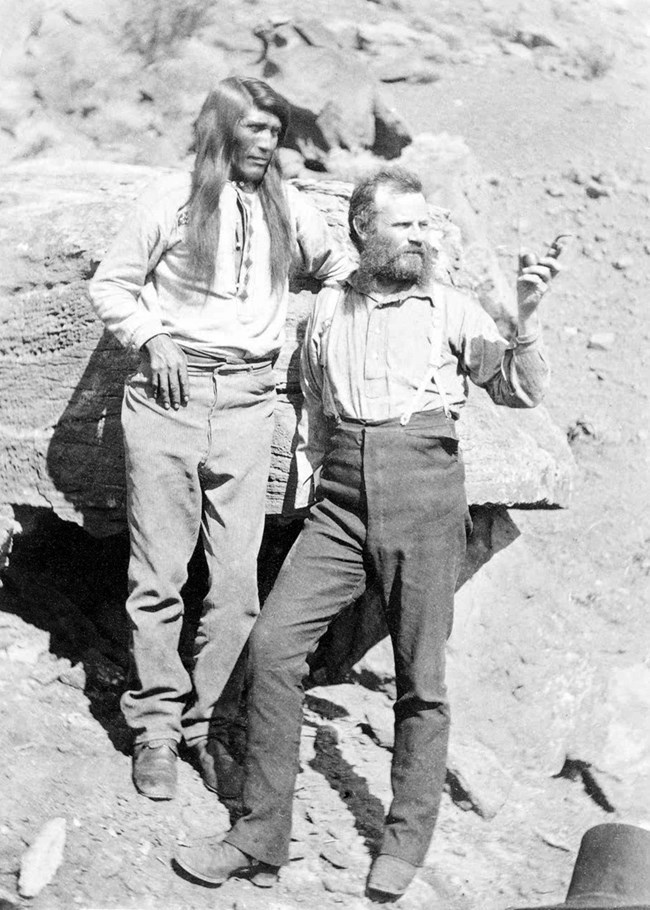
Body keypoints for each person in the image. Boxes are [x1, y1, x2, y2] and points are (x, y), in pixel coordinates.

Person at [174, 166, 563, 898]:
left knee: (421, 679)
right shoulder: (327, 311)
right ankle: (260, 835)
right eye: (404, 224)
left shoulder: (448, 310)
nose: (420, 236)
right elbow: (316, 415)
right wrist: (317, 486)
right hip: (342, 506)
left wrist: (523, 320)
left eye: (425, 225)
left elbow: (520, 390)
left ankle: (403, 845)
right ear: (362, 232)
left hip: (425, 497)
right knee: (272, 647)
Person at [88, 76, 349, 802]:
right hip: (167, 398)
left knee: (235, 587)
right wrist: (150, 338)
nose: (268, 144)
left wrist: (327, 316)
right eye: (255, 131)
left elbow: (336, 267)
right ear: (220, 132)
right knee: (158, 578)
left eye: (276, 131)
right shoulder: (169, 200)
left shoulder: (288, 206)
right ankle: (157, 734)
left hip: (247, 402)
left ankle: (204, 723)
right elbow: (112, 285)